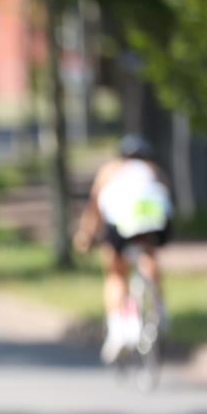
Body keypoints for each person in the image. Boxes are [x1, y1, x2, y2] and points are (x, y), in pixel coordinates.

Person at [74, 134, 173, 364]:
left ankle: (119, 327)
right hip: (153, 219)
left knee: (116, 272)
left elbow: (95, 208)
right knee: (148, 253)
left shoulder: (111, 169)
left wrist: (85, 237)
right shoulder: (154, 169)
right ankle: (159, 308)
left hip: (121, 219)